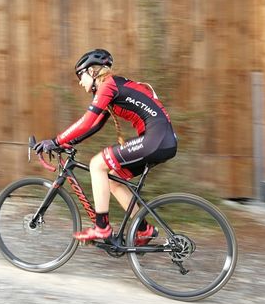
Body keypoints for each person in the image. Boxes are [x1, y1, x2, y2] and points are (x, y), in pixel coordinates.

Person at [34, 49, 177, 245]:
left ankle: (102, 228)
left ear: (92, 72)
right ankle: (143, 230)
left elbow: (86, 122)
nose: (79, 82)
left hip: (156, 139)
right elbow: (95, 125)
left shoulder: (108, 86)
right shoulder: (112, 87)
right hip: (161, 140)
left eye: (80, 75)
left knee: (97, 164)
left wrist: (56, 141)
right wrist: (67, 142)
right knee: (114, 181)